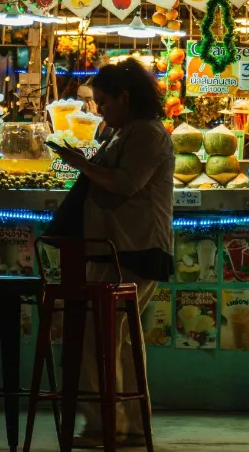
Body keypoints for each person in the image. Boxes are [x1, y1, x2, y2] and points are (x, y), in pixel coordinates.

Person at [50, 61, 174, 448]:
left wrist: (78, 163)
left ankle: (106, 424)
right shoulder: (121, 133)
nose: (99, 110)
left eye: (103, 102)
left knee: (96, 337)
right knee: (114, 339)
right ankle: (128, 424)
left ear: (125, 97)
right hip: (117, 250)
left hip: (134, 251)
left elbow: (125, 184)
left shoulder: (148, 135)